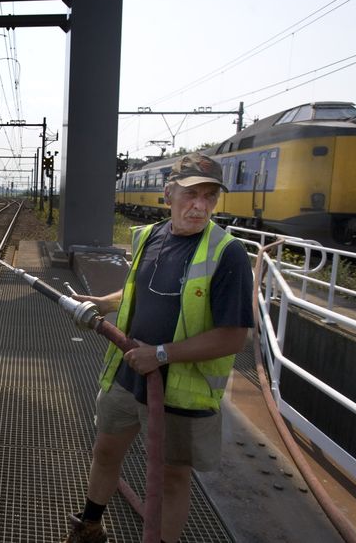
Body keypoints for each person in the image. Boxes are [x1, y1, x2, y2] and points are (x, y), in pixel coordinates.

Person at [64, 152, 254, 543]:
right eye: (190, 194)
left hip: (180, 390)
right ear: (168, 194)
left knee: (171, 478)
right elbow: (140, 290)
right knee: (105, 451)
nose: (200, 206)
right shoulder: (149, 236)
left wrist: (161, 354)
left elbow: (234, 336)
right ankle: (90, 524)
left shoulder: (227, 253)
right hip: (128, 371)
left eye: (209, 197)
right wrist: (105, 303)